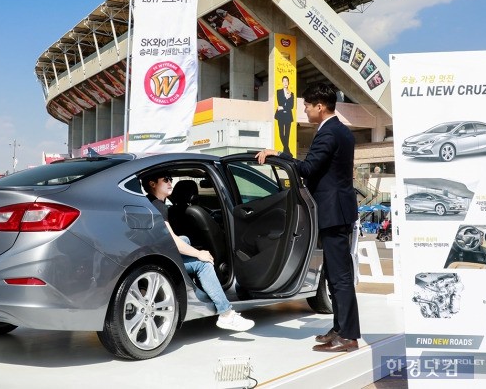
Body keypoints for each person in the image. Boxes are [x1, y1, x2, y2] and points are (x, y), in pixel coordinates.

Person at [255, 83, 360, 353]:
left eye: (307, 106)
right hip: (339, 210)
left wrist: (279, 156)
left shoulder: (328, 133)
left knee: (339, 277)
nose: (305, 110)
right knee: (336, 275)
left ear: (319, 107)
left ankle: (348, 336)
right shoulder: (342, 131)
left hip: (332, 212)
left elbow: (309, 169)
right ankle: (340, 328)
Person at [141, 171, 255, 332]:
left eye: (171, 179)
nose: (170, 183)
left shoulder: (150, 203)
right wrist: (198, 253)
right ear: (152, 184)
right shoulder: (159, 206)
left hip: (152, 256)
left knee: (186, 240)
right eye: (165, 179)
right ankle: (226, 314)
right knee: (203, 263)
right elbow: (172, 240)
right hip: (161, 260)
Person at [275, 76, 294, 155]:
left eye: (287, 81)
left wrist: (282, 107)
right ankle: (287, 150)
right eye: (284, 81)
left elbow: (291, 106)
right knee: (281, 133)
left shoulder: (291, 94)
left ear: (288, 82)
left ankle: (286, 151)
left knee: (287, 134)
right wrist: (286, 98)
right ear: (282, 83)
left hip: (288, 116)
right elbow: (280, 101)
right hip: (280, 115)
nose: (285, 83)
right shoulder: (279, 92)